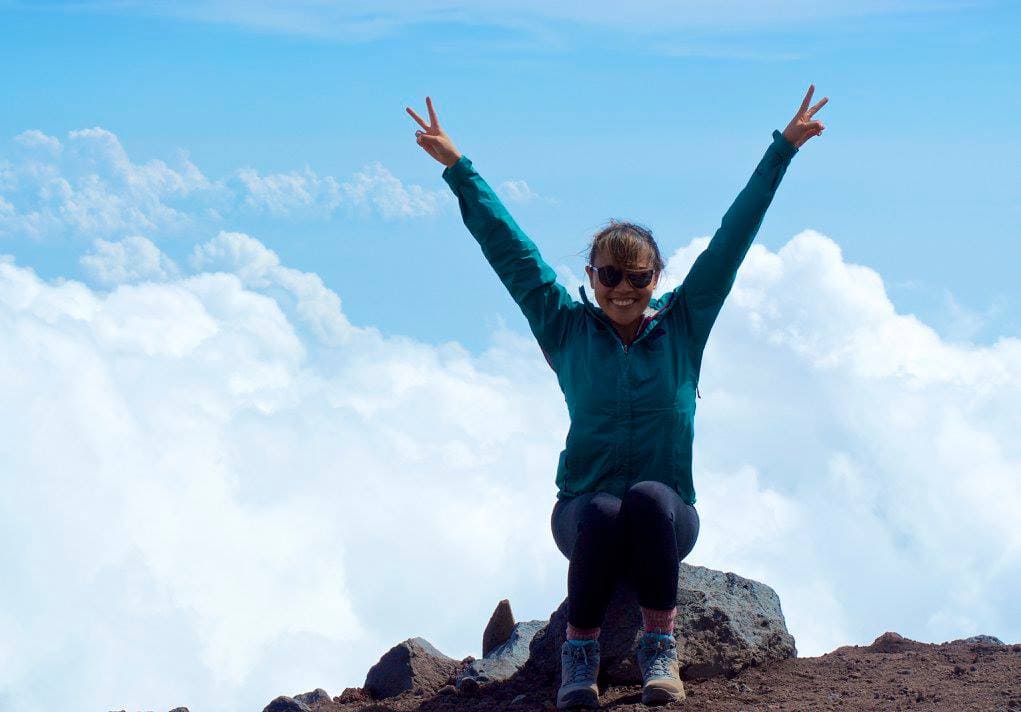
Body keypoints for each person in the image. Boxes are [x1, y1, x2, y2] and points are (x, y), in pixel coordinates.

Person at [406, 87, 827, 709]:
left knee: (648, 498)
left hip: (666, 518)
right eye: (608, 275)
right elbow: (513, 254)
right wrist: (458, 169)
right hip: (582, 515)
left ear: (657, 278)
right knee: (603, 510)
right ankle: (581, 657)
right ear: (591, 277)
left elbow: (732, 239)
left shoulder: (684, 325)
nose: (622, 289)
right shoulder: (566, 328)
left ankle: (660, 648)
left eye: (637, 277)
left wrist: (782, 150)